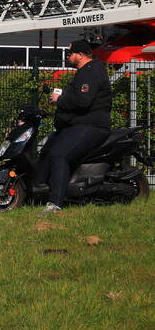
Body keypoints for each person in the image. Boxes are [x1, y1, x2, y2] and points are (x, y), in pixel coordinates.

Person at [37, 40, 111, 214]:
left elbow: (83, 101)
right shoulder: (84, 72)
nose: (68, 57)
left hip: (90, 125)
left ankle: (55, 204)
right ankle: (37, 193)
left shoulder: (91, 72)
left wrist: (59, 100)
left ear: (80, 55)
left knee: (59, 155)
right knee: (48, 150)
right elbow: (79, 96)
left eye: (70, 54)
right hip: (77, 124)